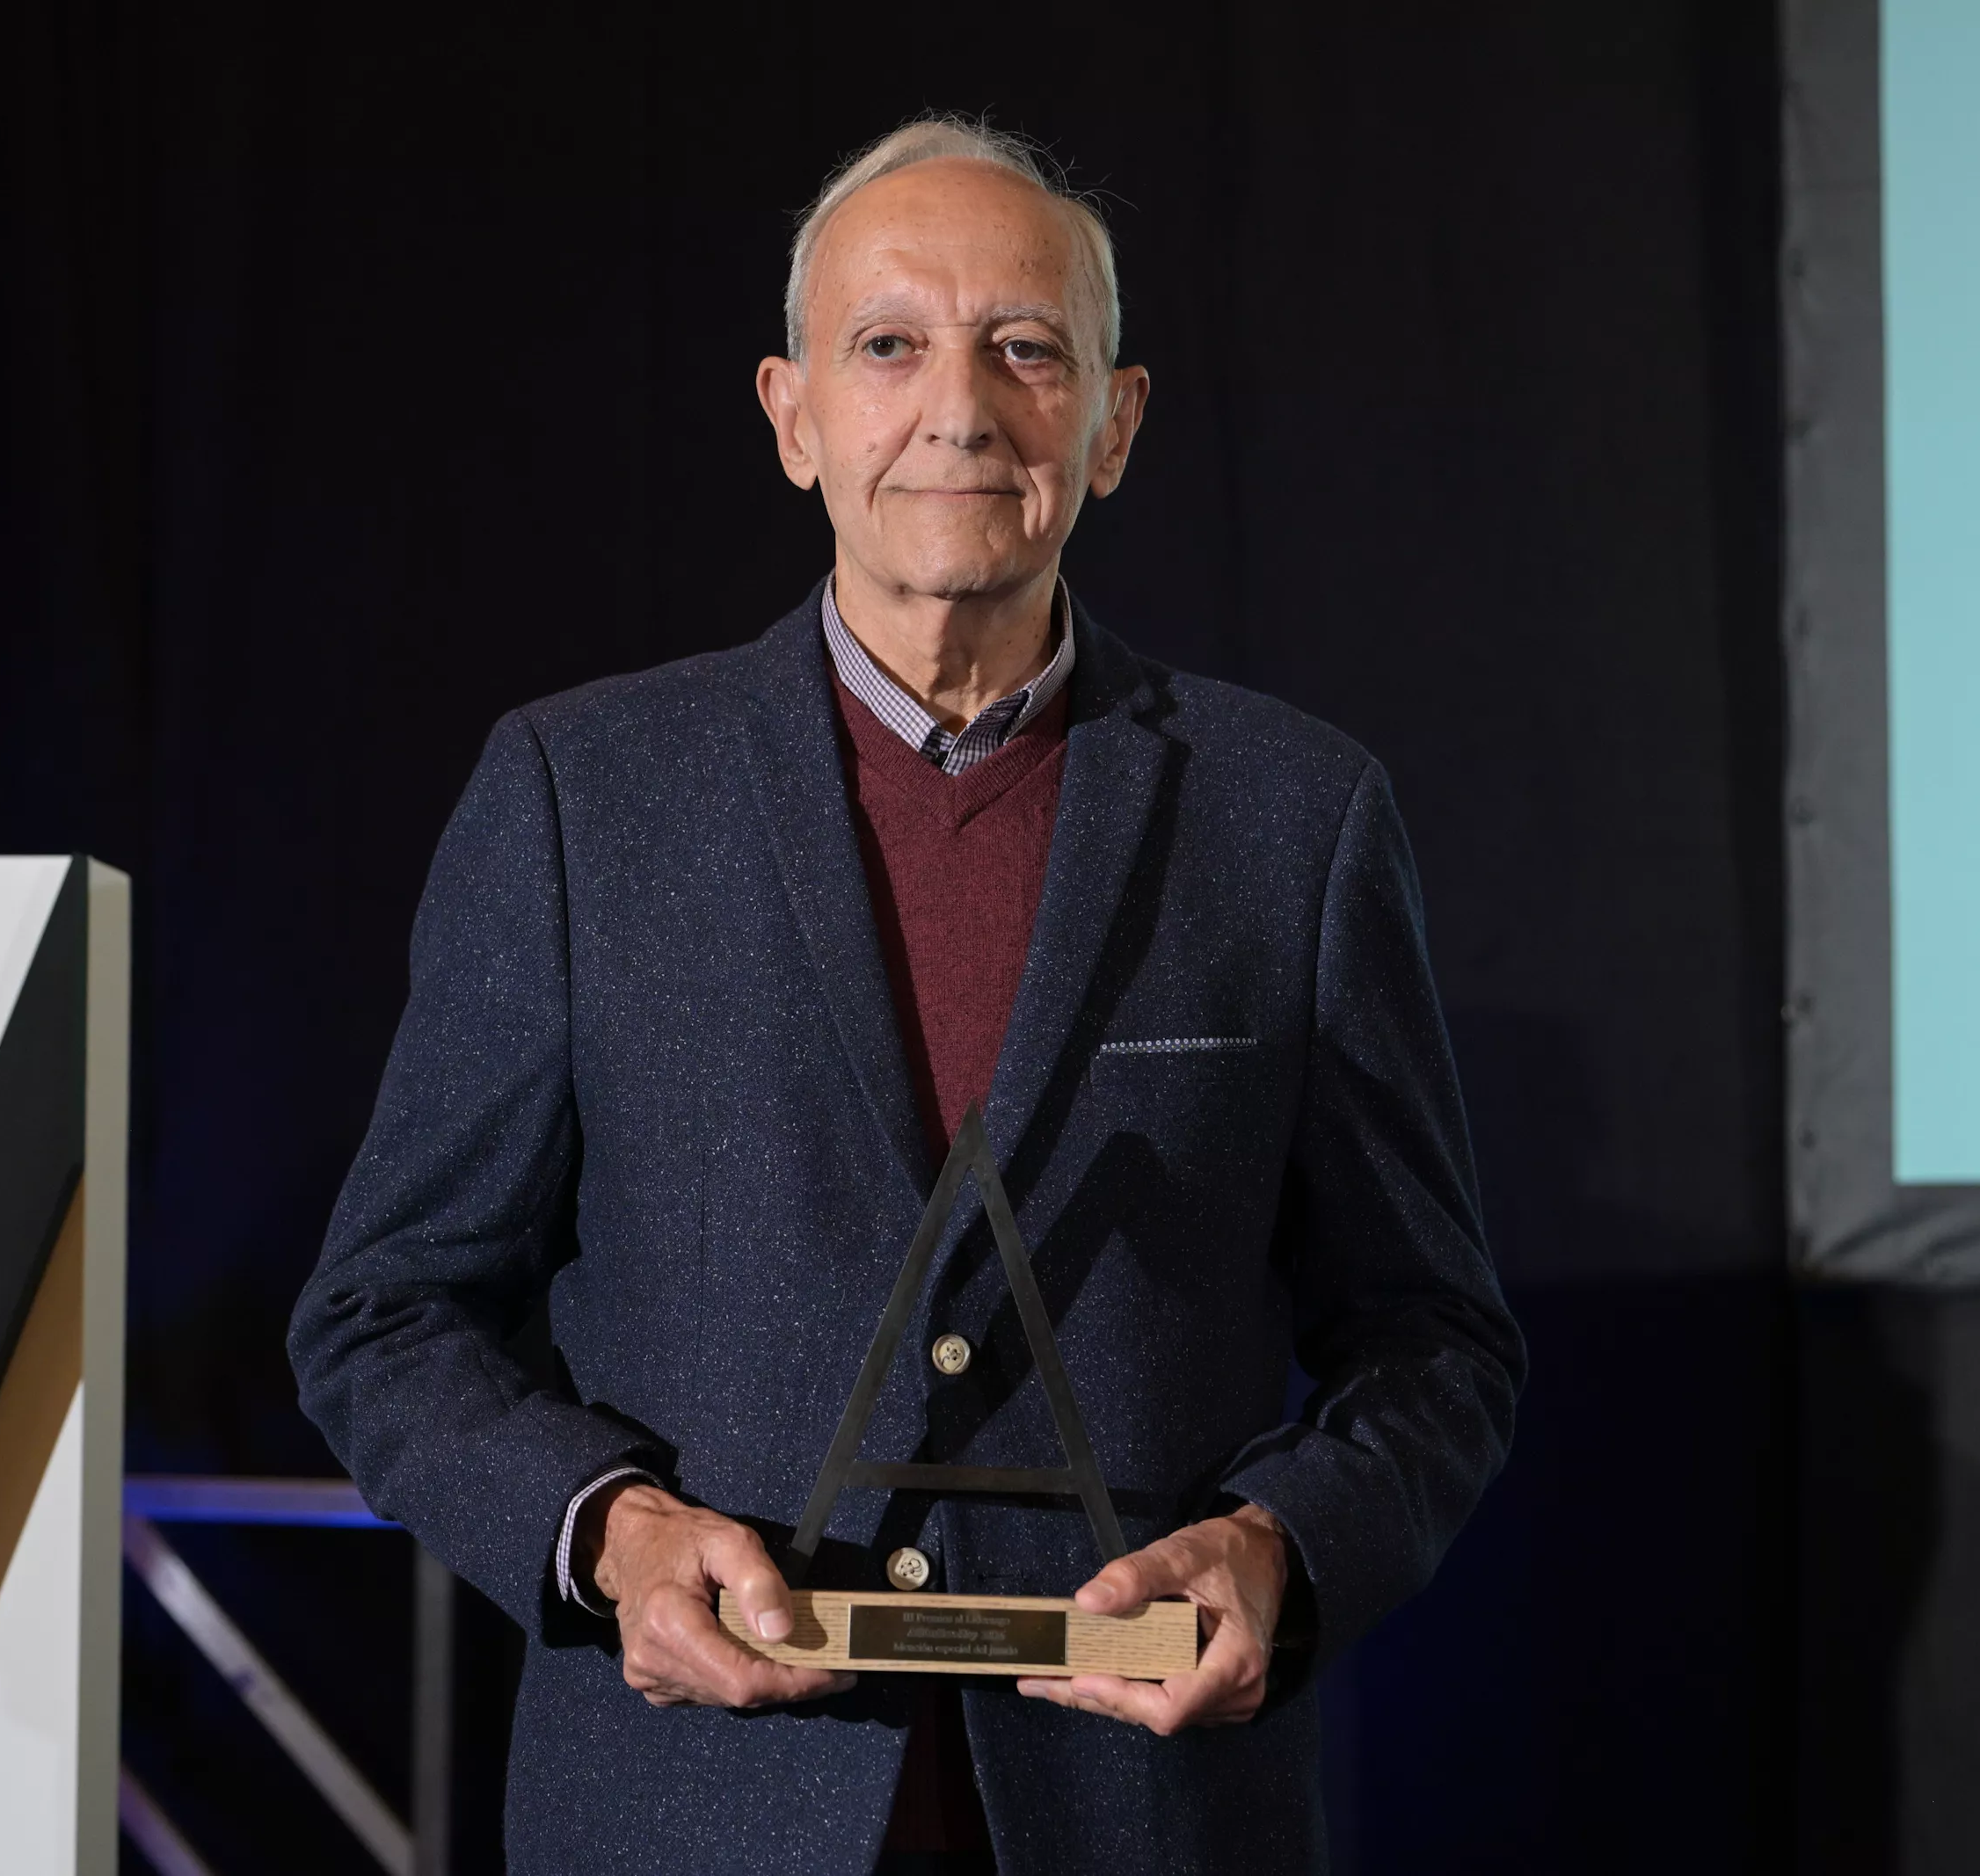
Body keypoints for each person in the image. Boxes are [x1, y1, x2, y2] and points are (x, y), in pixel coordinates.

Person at [289, 116, 1525, 1876]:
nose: (960, 407)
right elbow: (381, 1314)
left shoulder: (1291, 816)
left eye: (1027, 348)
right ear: (793, 416)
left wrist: (1282, 1544)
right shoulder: (580, 795)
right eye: (891, 346)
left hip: (1145, 1818)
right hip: (688, 1811)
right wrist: (609, 1531)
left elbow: (1436, 1338)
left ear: (1116, 423)